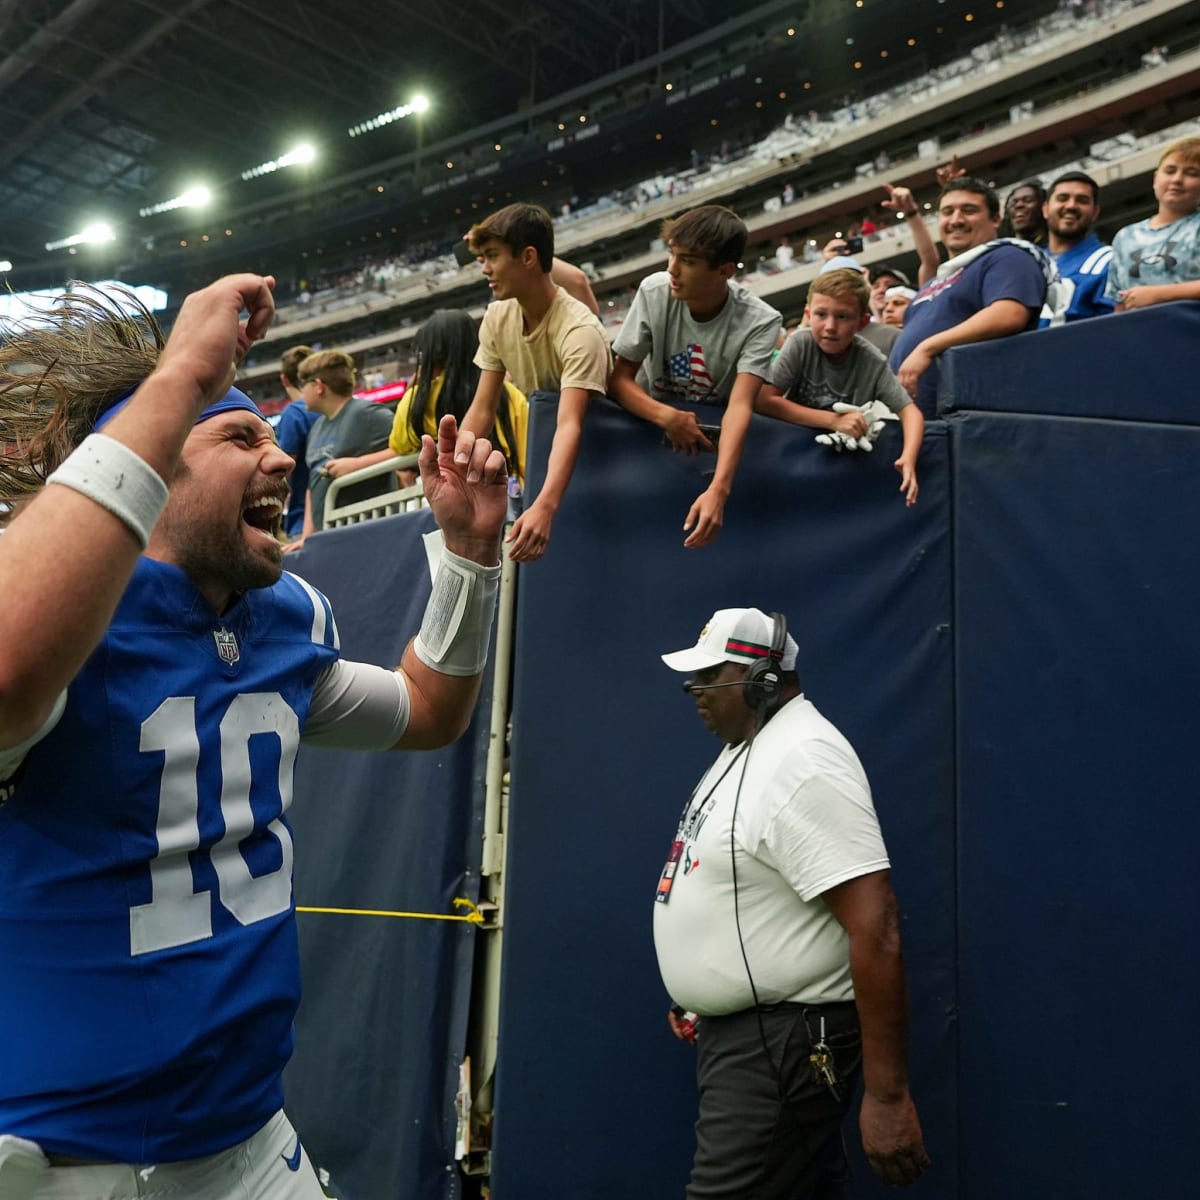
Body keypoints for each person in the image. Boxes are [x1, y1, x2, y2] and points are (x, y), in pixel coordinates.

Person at [0, 275, 507, 1197]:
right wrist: (182, 373)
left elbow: (429, 714)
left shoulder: (279, 621)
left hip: (242, 1132)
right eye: (239, 435)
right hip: (55, 1156)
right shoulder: (61, 619)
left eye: (275, 436)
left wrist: (470, 563)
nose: (280, 459)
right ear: (150, 464)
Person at [654, 608, 930, 1198]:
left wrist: (886, 1096)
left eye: (710, 676)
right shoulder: (747, 748)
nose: (694, 690)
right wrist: (708, 994)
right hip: (751, 1038)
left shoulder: (803, 759)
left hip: (782, 1046)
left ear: (763, 679)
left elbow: (876, 925)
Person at [611, 205, 780, 548]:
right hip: (645, 442)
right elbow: (618, 380)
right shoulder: (654, 291)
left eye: (688, 261)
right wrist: (667, 417)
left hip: (707, 455)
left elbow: (740, 406)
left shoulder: (761, 321)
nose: (672, 269)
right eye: (672, 255)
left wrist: (719, 488)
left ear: (725, 270)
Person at [461, 203, 611, 562]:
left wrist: (544, 506)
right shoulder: (497, 317)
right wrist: (454, 462)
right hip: (556, 462)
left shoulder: (580, 331)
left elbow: (570, 423)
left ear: (528, 257)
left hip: (604, 461)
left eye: (492, 256)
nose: (485, 269)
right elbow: (482, 408)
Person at [755, 270, 924, 506]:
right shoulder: (801, 342)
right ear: (808, 314)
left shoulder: (872, 361)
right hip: (790, 462)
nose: (830, 326)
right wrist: (833, 420)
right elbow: (763, 399)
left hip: (842, 476)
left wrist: (908, 457)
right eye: (821, 314)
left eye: (843, 317)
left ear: (862, 322)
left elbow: (910, 412)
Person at [888, 176, 1053, 416]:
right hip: (917, 425)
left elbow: (1009, 313)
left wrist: (927, 347)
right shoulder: (935, 281)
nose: (956, 220)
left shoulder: (1007, 256)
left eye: (969, 210)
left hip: (970, 421)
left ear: (995, 219)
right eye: (948, 212)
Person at [314, 310, 529, 493]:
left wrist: (415, 384)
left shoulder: (416, 400)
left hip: (448, 499)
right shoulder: (507, 394)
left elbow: (399, 446)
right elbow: (526, 451)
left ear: (430, 354)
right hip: (509, 493)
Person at [297, 349, 394, 536]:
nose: (302, 392)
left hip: (368, 532)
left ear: (318, 386)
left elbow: (411, 449)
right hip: (329, 535)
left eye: (303, 385)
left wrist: (357, 465)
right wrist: (307, 537)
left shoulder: (368, 414)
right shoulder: (317, 426)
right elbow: (313, 483)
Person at [1106, 136, 1200, 312]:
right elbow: (1119, 304)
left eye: (1192, 173)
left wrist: (1159, 294)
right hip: (1140, 335)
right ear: (1156, 178)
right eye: (1170, 171)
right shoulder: (1125, 237)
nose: (1177, 179)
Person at [1039, 171, 1113, 324]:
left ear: (1095, 213)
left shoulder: (1109, 262)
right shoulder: (1029, 263)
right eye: (1062, 198)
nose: (1071, 206)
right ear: (1045, 209)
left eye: (1082, 200)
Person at [274, 343, 320, 539]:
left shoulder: (294, 413)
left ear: (284, 379)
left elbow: (282, 471)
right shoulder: (334, 407)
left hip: (303, 522)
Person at [999, 180, 1047, 245]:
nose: (1019, 205)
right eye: (1013, 203)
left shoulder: (1057, 247)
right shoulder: (1003, 249)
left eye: (1028, 200)